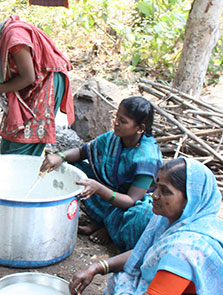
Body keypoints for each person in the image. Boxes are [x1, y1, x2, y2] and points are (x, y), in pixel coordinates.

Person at [45, 158, 223, 295]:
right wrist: (98, 267)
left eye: (166, 191)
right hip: (170, 294)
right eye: (157, 186)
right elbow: (145, 253)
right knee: (121, 278)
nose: (155, 195)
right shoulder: (175, 219)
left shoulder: (187, 246)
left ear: (190, 199)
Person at [40, 96, 162, 250]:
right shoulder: (113, 138)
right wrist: (60, 156)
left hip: (130, 203)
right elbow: (82, 152)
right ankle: (103, 221)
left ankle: (109, 227)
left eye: (123, 121)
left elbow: (131, 200)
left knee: (141, 215)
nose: (116, 123)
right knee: (69, 168)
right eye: (117, 117)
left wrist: (99, 189)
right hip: (108, 193)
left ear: (140, 128)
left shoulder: (147, 157)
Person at [0, 8, 74, 156]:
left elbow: (28, 77)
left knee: (24, 145)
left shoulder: (14, 37)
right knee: (8, 144)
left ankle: (33, 166)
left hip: (44, 80)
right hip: (20, 85)